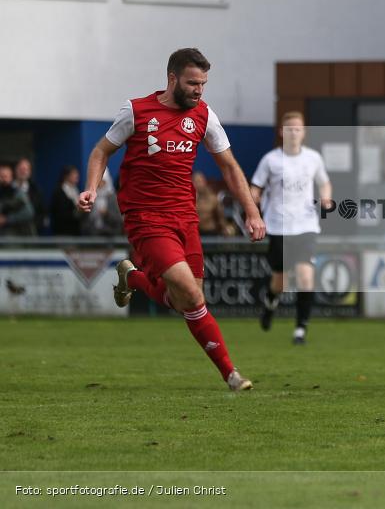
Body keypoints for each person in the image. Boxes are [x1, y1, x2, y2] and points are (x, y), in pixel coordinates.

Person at [78, 48, 266, 392]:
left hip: (185, 217)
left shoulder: (205, 115)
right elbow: (100, 151)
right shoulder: (136, 110)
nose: (199, 90)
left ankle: (132, 277)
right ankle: (231, 375)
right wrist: (91, 187)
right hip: (145, 217)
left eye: (203, 84)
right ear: (172, 78)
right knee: (191, 295)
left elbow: (228, 166)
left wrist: (252, 212)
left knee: (186, 300)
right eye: (193, 83)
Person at [250, 112, 331, 344]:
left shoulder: (313, 158)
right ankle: (270, 303)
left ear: (304, 133)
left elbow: (324, 182)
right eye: (289, 129)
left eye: (298, 129)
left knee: (306, 278)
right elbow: (255, 186)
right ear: (281, 132)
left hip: (306, 226)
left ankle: (300, 330)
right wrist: (253, 202)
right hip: (279, 226)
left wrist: (326, 198)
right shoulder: (270, 160)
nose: (294, 133)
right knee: (280, 282)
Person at [193, 171, 233, 236]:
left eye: (200, 181)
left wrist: (225, 228)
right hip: (195, 233)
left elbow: (221, 217)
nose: (198, 184)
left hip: (211, 233)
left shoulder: (213, 199)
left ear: (204, 182)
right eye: (196, 182)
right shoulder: (190, 200)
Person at [0, 164, 36, 236]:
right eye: (1, 176)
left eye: (5, 176)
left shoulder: (17, 193)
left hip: (17, 234)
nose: (3, 179)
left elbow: (28, 213)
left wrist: (7, 219)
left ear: (11, 177)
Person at [12, 158, 46, 234]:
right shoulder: (7, 188)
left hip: (30, 232)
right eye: (20, 169)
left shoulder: (36, 190)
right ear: (15, 170)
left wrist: (35, 226)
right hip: (10, 232)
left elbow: (42, 212)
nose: (23, 171)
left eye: (26, 169)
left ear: (30, 172)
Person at [50, 165, 83, 236]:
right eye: (74, 173)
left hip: (75, 232)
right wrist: (74, 213)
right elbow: (59, 213)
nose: (77, 176)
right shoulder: (59, 192)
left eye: (77, 173)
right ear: (66, 176)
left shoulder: (76, 191)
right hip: (62, 232)